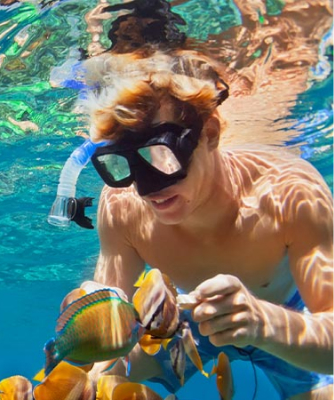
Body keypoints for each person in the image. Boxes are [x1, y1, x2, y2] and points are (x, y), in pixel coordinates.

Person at [77, 47, 334, 399]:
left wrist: (262, 323)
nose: (147, 189)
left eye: (163, 155)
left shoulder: (290, 191)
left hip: (283, 318)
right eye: (122, 164)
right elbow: (109, 334)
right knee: (110, 390)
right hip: (183, 320)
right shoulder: (121, 205)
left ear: (210, 133)